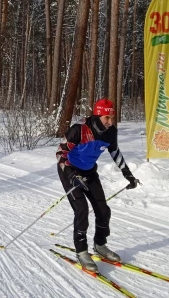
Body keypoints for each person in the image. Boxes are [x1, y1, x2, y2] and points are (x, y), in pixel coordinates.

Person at [56, 98, 140, 273]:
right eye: (106, 118)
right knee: (82, 210)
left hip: (88, 171)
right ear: (97, 115)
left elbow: (115, 152)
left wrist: (128, 174)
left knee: (103, 210)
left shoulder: (110, 132)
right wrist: (72, 175)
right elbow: (60, 153)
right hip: (69, 171)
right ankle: (81, 251)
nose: (110, 122)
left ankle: (100, 245)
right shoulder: (79, 129)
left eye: (112, 117)